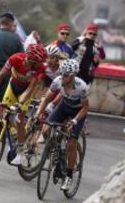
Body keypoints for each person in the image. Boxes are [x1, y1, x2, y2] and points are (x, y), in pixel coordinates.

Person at [0, 44, 47, 166]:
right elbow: (0, 76)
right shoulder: (15, 58)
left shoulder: (41, 68)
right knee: (3, 111)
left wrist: (20, 104)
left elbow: (31, 88)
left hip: (26, 91)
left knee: (19, 119)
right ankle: (14, 135)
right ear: (32, 60)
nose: (42, 64)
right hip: (13, 86)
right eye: (40, 62)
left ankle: (21, 153)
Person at [35, 59, 89, 191]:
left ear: (73, 75)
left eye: (66, 75)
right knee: (46, 128)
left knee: (71, 144)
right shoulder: (58, 81)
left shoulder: (81, 87)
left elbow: (86, 108)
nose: (62, 77)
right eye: (61, 74)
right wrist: (38, 115)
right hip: (64, 107)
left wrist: (75, 121)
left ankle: (69, 176)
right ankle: (55, 149)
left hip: (77, 112)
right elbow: (47, 99)